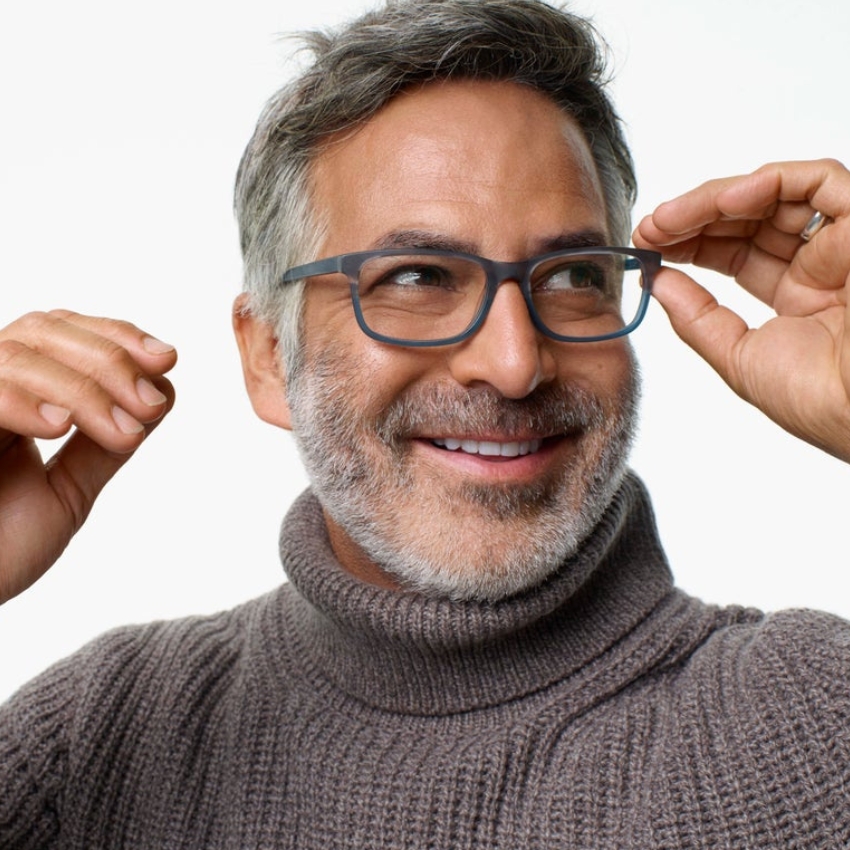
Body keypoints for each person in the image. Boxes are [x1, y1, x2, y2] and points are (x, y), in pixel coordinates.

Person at [2, 0, 849, 845]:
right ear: (268, 357)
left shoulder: (817, 726)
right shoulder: (91, 743)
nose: (514, 364)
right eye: (415, 278)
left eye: (571, 275)